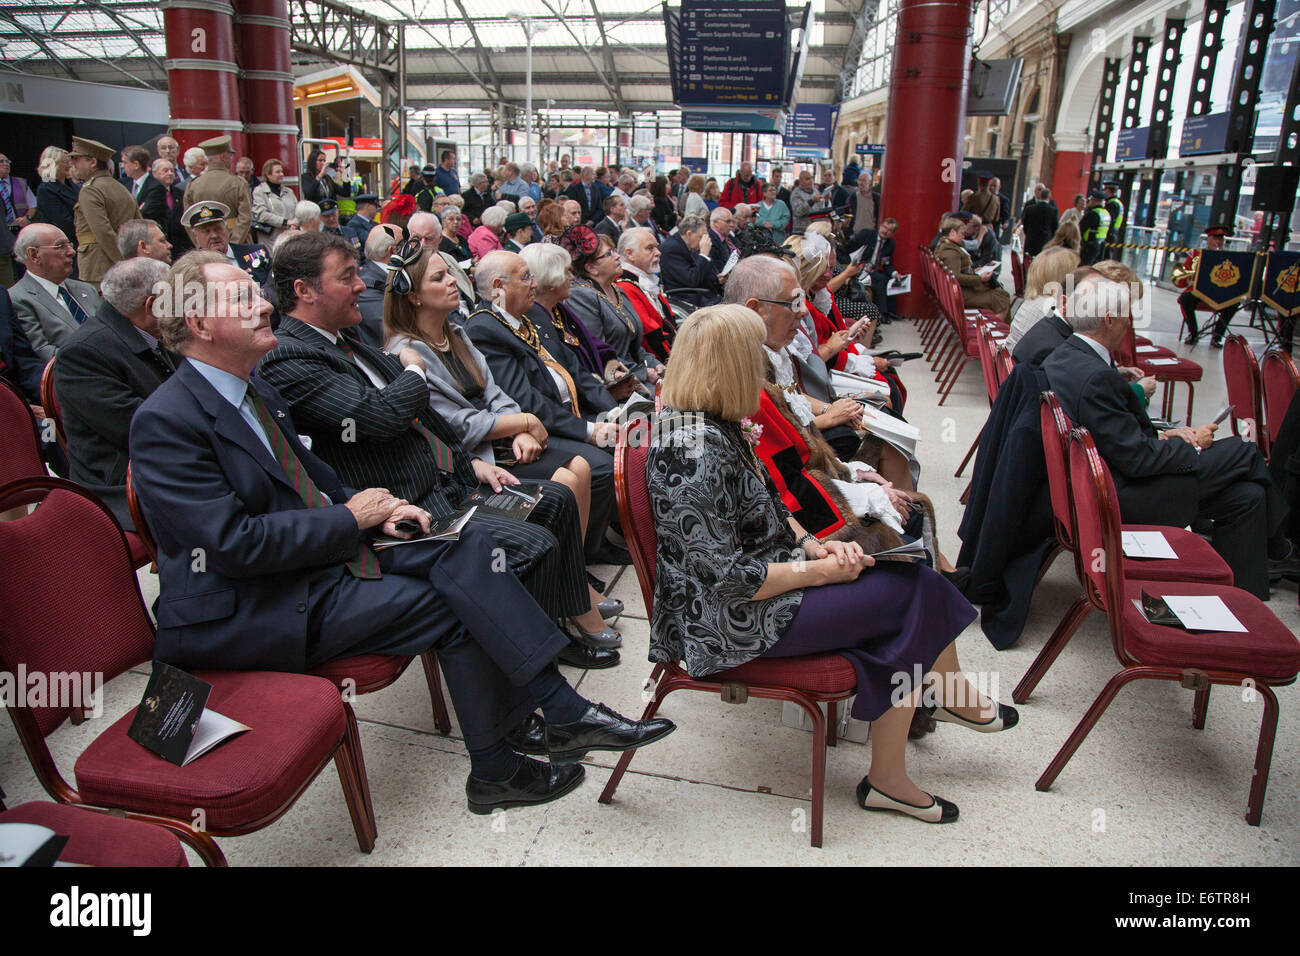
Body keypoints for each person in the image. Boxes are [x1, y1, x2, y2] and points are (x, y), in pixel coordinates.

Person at [129, 249, 673, 812]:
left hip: (313, 565)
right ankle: (526, 741)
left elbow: (313, 480)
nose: (264, 304)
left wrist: (379, 508)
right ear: (198, 324)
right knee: (460, 597)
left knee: (470, 551)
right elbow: (234, 546)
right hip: (255, 604)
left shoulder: (252, 389)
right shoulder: (166, 421)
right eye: (243, 299)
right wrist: (349, 519)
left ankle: (529, 739)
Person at [649, 303, 1011, 824]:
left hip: (767, 583)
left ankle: (905, 751)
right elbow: (727, 582)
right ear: (728, 367)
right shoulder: (692, 452)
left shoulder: (715, 423)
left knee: (908, 591)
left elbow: (771, 507)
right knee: (916, 593)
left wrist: (817, 547)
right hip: (728, 624)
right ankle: (917, 732)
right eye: (752, 357)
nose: (763, 367)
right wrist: (823, 571)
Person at [254, 231, 620, 654]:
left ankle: (567, 609)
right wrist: (413, 372)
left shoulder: (357, 341)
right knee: (553, 509)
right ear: (304, 290)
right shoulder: (300, 354)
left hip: (451, 472)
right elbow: (385, 415)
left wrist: (477, 457)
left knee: (556, 496)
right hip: (409, 505)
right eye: (349, 276)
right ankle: (556, 634)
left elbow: (438, 414)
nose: (362, 285)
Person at [382, 241, 622, 638]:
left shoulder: (455, 333)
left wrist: (522, 425)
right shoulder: (406, 353)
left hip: (499, 436)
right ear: (413, 296)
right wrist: (521, 422)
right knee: (566, 479)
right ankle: (569, 599)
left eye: (450, 273)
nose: (453, 282)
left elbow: (496, 392)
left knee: (579, 466)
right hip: (465, 457)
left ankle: (570, 581)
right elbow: (453, 424)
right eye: (438, 277)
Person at [1042, 270, 1293, 599]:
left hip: (1106, 479)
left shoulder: (1064, 356)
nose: (1129, 323)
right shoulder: (1095, 376)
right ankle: (1280, 545)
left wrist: (1167, 438)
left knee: (1248, 496)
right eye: (1126, 316)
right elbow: (1137, 460)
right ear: (1109, 320)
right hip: (1122, 495)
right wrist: (1194, 447)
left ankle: (1244, 595)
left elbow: (1120, 442)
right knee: (1244, 453)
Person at [464, 250, 626, 565]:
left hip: (568, 412)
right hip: (538, 427)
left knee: (630, 439)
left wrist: (612, 411)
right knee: (603, 464)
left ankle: (623, 527)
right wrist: (589, 430)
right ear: (498, 285)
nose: (533, 284)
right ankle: (587, 553)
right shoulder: (484, 329)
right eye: (525, 277)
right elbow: (525, 399)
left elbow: (574, 370)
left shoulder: (529, 316)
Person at [52, 256, 174, 528]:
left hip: (165, 458)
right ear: (153, 306)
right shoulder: (83, 354)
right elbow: (139, 428)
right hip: (122, 482)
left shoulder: (157, 332)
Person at [566, 229, 661, 383]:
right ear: (591, 268)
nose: (617, 256)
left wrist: (655, 364)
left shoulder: (618, 290)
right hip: (618, 382)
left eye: (614, 250)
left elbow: (634, 346)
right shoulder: (581, 296)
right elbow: (599, 353)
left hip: (638, 374)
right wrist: (643, 373)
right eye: (608, 254)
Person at [9, 222, 102, 362]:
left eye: (69, 244)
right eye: (60, 246)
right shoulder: (17, 299)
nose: (72, 251)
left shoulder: (86, 289)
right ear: (34, 255)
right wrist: (103, 359)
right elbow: (42, 352)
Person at [69, 137, 138, 286]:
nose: (73, 164)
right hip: (119, 262)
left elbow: (102, 231)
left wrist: (123, 262)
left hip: (99, 266)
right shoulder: (121, 188)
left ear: (92, 162)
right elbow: (139, 224)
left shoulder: (91, 190)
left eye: (77, 159)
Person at [614, 227, 677, 363]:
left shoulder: (644, 279)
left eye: (656, 247)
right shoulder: (625, 286)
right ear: (630, 254)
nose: (658, 253)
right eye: (650, 248)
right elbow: (650, 336)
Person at [934, 216, 1010, 321]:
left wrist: (974, 272)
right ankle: (996, 329)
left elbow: (956, 273)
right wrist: (979, 278)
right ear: (952, 232)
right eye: (961, 233)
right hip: (960, 295)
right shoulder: (950, 252)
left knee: (1000, 294)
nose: (963, 237)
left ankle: (997, 328)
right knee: (1001, 297)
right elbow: (956, 276)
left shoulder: (947, 247)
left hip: (957, 291)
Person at [1005, 246, 1081, 350]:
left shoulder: (1036, 298)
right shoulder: (1053, 305)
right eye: (1075, 271)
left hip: (1011, 357)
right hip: (1022, 361)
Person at [182, 135, 253, 244]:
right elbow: (245, 218)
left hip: (207, 245)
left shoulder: (193, 185)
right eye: (230, 156)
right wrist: (233, 244)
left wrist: (201, 244)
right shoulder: (238, 183)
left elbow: (188, 221)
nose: (231, 159)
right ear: (223, 156)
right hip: (237, 243)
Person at [1176, 225, 1238, 347]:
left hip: (1221, 292)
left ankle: (1217, 336)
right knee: (1185, 299)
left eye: (1220, 239)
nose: (1218, 241)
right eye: (1215, 238)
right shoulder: (1196, 254)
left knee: (1234, 303)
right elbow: (1184, 277)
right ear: (1208, 239)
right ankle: (1193, 333)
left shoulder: (1228, 257)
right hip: (1200, 291)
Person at [182, 201, 271, 286]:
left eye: (218, 229)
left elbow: (273, 286)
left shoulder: (257, 253)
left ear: (227, 228)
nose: (214, 235)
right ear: (196, 236)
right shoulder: (193, 268)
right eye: (206, 231)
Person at [408, 211, 475, 315]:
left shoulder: (449, 259)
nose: (422, 244)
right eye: (416, 239)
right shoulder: (406, 267)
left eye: (428, 238)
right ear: (409, 238)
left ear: (439, 239)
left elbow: (467, 293)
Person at [658, 214, 720, 307]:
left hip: (701, 294)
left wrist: (717, 279)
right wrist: (703, 255)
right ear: (689, 234)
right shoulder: (671, 249)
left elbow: (701, 273)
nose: (703, 241)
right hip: (686, 298)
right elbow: (691, 280)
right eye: (701, 237)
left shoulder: (689, 246)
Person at [356, 225, 397, 347]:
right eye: (403, 246)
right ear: (392, 251)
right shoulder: (366, 284)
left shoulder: (393, 275)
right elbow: (390, 326)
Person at [35, 147, 80, 245]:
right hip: (66, 242)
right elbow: (63, 222)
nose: (70, 165)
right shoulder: (46, 189)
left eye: (69, 161)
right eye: (65, 162)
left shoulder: (72, 185)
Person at [148, 159, 192, 257]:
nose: (170, 173)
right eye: (165, 170)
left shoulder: (180, 192)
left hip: (180, 246)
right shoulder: (149, 194)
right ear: (154, 173)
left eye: (172, 170)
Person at [251, 159, 299, 244]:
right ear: (268, 174)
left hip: (290, 237)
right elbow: (261, 214)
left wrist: (295, 223)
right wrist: (285, 222)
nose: (281, 174)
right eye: (278, 172)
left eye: (282, 171)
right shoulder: (259, 191)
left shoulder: (288, 191)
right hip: (271, 239)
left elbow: (297, 209)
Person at [1020, 184, 1059, 257]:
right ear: (1048, 197)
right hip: (1045, 242)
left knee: (1028, 264)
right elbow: (1055, 227)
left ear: (1040, 196)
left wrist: (1029, 233)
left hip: (1031, 241)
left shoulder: (1030, 209)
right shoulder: (1053, 211)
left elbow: (1025, 224)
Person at [1078, 189, 1111, 265]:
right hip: (1101, 244)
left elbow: (1081, 227)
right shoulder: (1106, 213)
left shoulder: (1093, 213)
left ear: (1094, 201)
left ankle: (1071, 278)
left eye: (1090, 200)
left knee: (1082, 267)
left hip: (1089, 245)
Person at [788, 169, 819, 235]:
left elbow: (821, 208)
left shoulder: (816, 191)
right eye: (807, 179)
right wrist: (811, 201)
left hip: (815, 230)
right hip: (801, 232)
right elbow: (798, 211)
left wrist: (826, 200)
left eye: (811, 178)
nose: (811, 181)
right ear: (801, 181)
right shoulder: (796, 193)